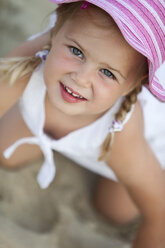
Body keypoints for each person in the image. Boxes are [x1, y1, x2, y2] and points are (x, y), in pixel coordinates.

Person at [0, 0, 165, 247]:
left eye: (107, 73)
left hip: (133, 149)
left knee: (113, 211)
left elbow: (159, 213)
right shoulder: (29, 63)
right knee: (6, 153)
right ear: (55, 31)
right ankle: (51, 138)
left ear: (132, 86)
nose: (81, 78)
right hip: (57, 115)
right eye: (76, 51)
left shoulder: (124, 135)